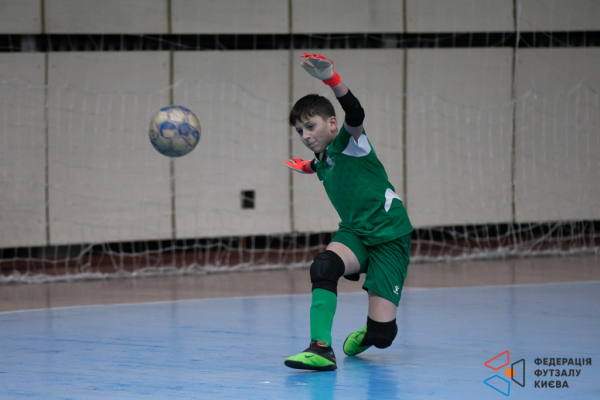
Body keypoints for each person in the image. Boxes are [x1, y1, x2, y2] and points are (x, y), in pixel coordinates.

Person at [283, 54, 414, 371]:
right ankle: (320, 349)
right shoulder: (323, 158)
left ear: (332, 123)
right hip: (355, 231)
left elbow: (355, 113)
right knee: (324, 265)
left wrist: (332, 79)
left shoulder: (351, 142)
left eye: (310, 126)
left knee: (383, 336)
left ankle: (373, 331)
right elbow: (323, 164)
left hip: (389, 235)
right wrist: (308, 166)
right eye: (299, 131)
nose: (305, 135)